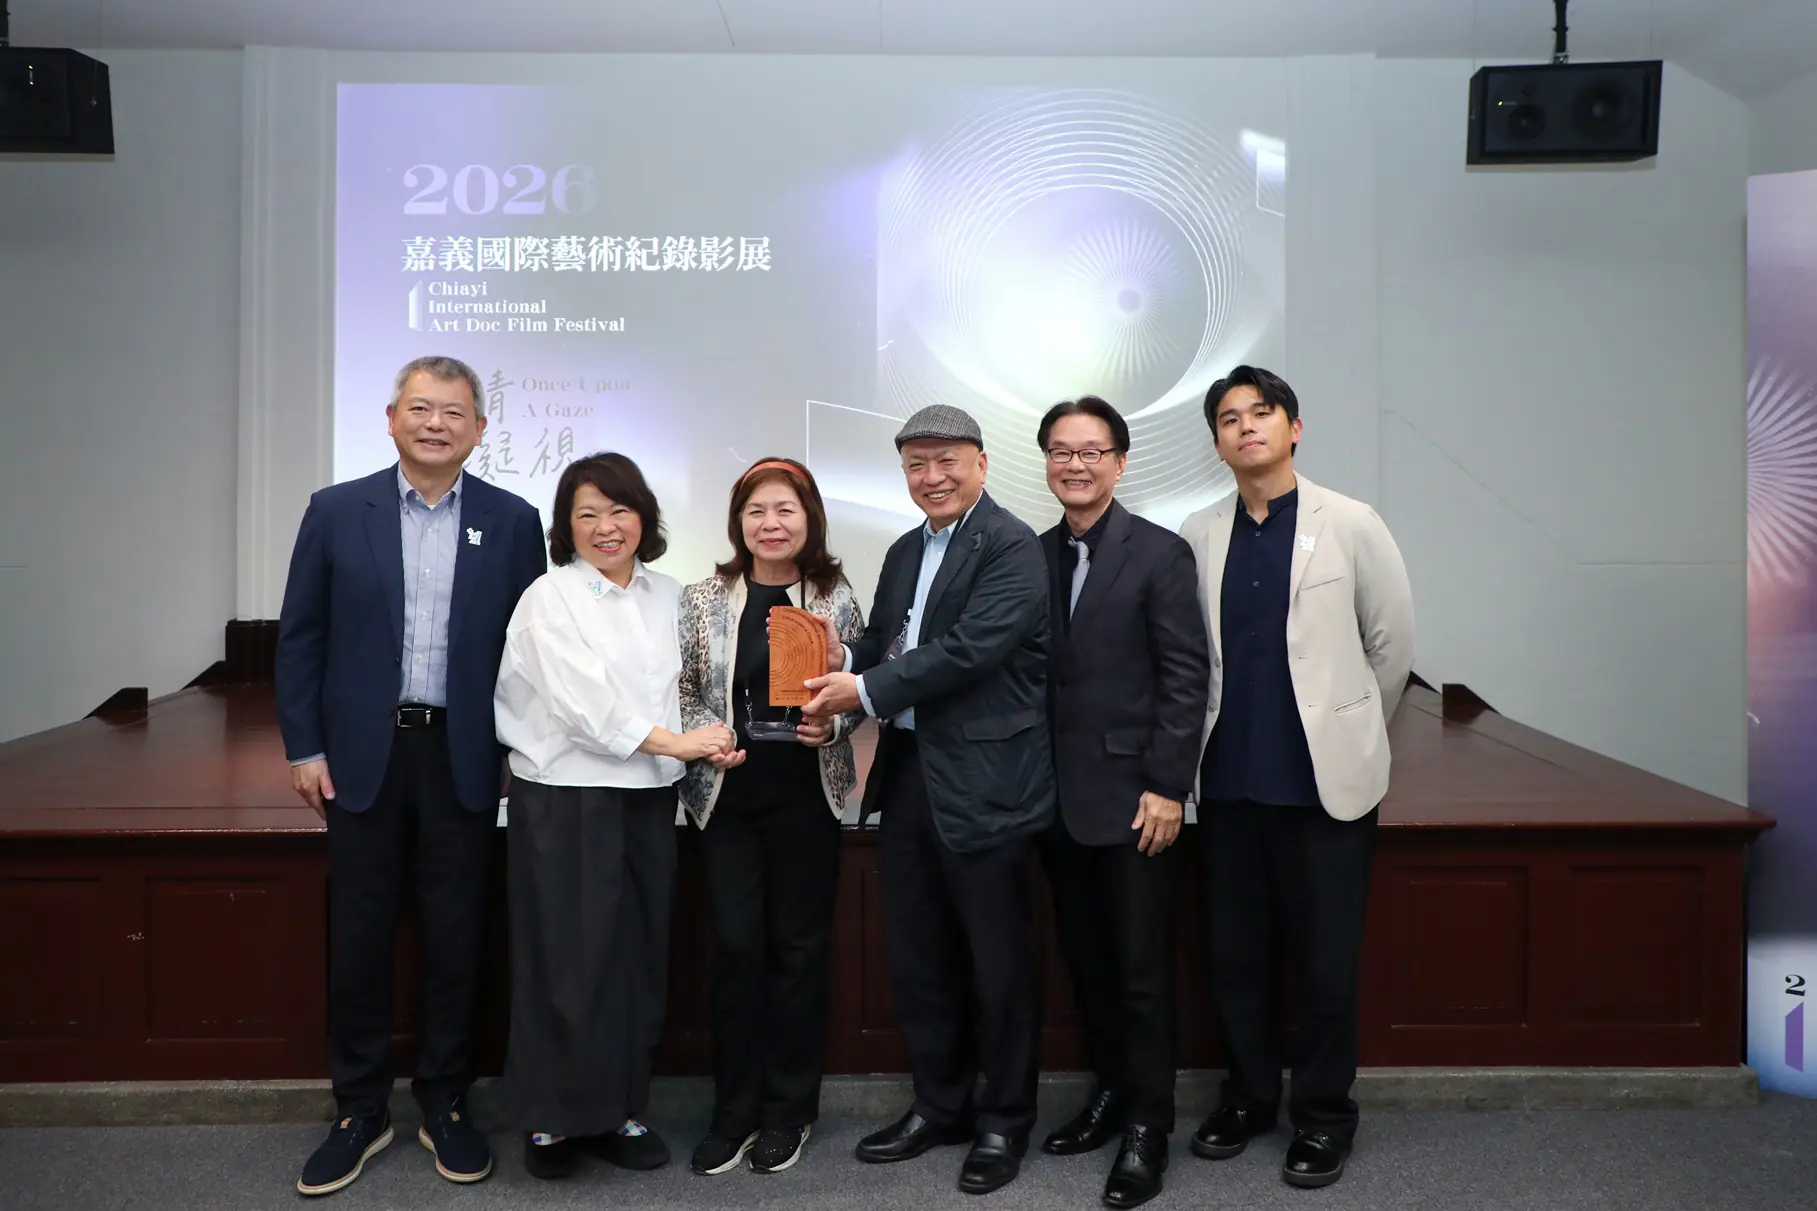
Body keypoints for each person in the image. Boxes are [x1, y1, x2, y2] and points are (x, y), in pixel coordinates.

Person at [275, 355, 546, 1197]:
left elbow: (533, 650)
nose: (436, 424)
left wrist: (517, 750)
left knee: (457, 937)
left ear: (480, 429)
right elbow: (301, 637)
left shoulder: (513, 520)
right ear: (391, 417)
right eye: (421, 408)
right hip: (362, 757)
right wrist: (304, 746)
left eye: (454, 412)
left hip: (462, 755)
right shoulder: (335, 510)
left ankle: (445, 1100)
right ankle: (359, 1107)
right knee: (358, 939)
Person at [801, 404, 1055, 1197]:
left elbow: (972, 649)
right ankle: (940, 1105)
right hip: (910, 771)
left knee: (997, 961)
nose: (931, 476)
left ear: (981, 463)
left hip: (987, 778)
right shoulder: (907, 548)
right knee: (919, 954)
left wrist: (863, 688)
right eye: (916, 463)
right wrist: (841, 659)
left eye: (946, 460)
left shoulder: (1011, 544)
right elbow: (889, 638)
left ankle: (1003, 1120)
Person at [1179, 366, 1414, 1189]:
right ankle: (1246, 1099)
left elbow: (1390, 648)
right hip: (1227, 785)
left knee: (1324, 961)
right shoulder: (1199, 532)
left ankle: (1321, 1115)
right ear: (1215, 442)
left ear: (1293, 427)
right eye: (1228, 418)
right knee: (1236, 958)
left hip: (1324, 788)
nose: (1245, 427)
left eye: (1261, 412)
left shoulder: (1348, 522)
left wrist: (1345, 726)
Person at [492, 452, 735, 1181]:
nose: (606, 527)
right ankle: (550, 1118)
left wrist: (715, 734)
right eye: (587, 514)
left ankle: (619, 1108)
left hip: (648, 797)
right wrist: (681, 743)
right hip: (567, 796)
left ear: (644, 518)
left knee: (635, 956)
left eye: (619, 510)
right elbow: (584, 707)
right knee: (566, 961)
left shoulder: (671, 595)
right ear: (565, 527)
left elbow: (697, 686)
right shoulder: (550, 597)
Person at [1034, 397, 1210, 1209]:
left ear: (1120, 461)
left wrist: (1168, 784)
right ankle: (1108, 1094)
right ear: (1045, 461)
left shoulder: (1159, 552)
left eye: (1091, 451)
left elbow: (1184, 675)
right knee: (1089, 963)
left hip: (1137, 798)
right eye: (1061, 451)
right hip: (1052, 803)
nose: (1075, 464)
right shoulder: (1031, 554)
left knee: (1140, 973)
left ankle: (1147, 1126)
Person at [675, 457, 867, 1177]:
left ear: (809, 518)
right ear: (739, 523)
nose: (771, 523)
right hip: (727, 801)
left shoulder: (834, 596)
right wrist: (707, 733)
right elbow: (683, 687)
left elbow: (858, 689)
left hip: (806, 800)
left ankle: (789, 1111)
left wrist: (835, 724)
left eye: (785, 509)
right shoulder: (703, 597)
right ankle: (734, 1112)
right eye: (756, 511)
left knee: (797, 954)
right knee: (735, 952)